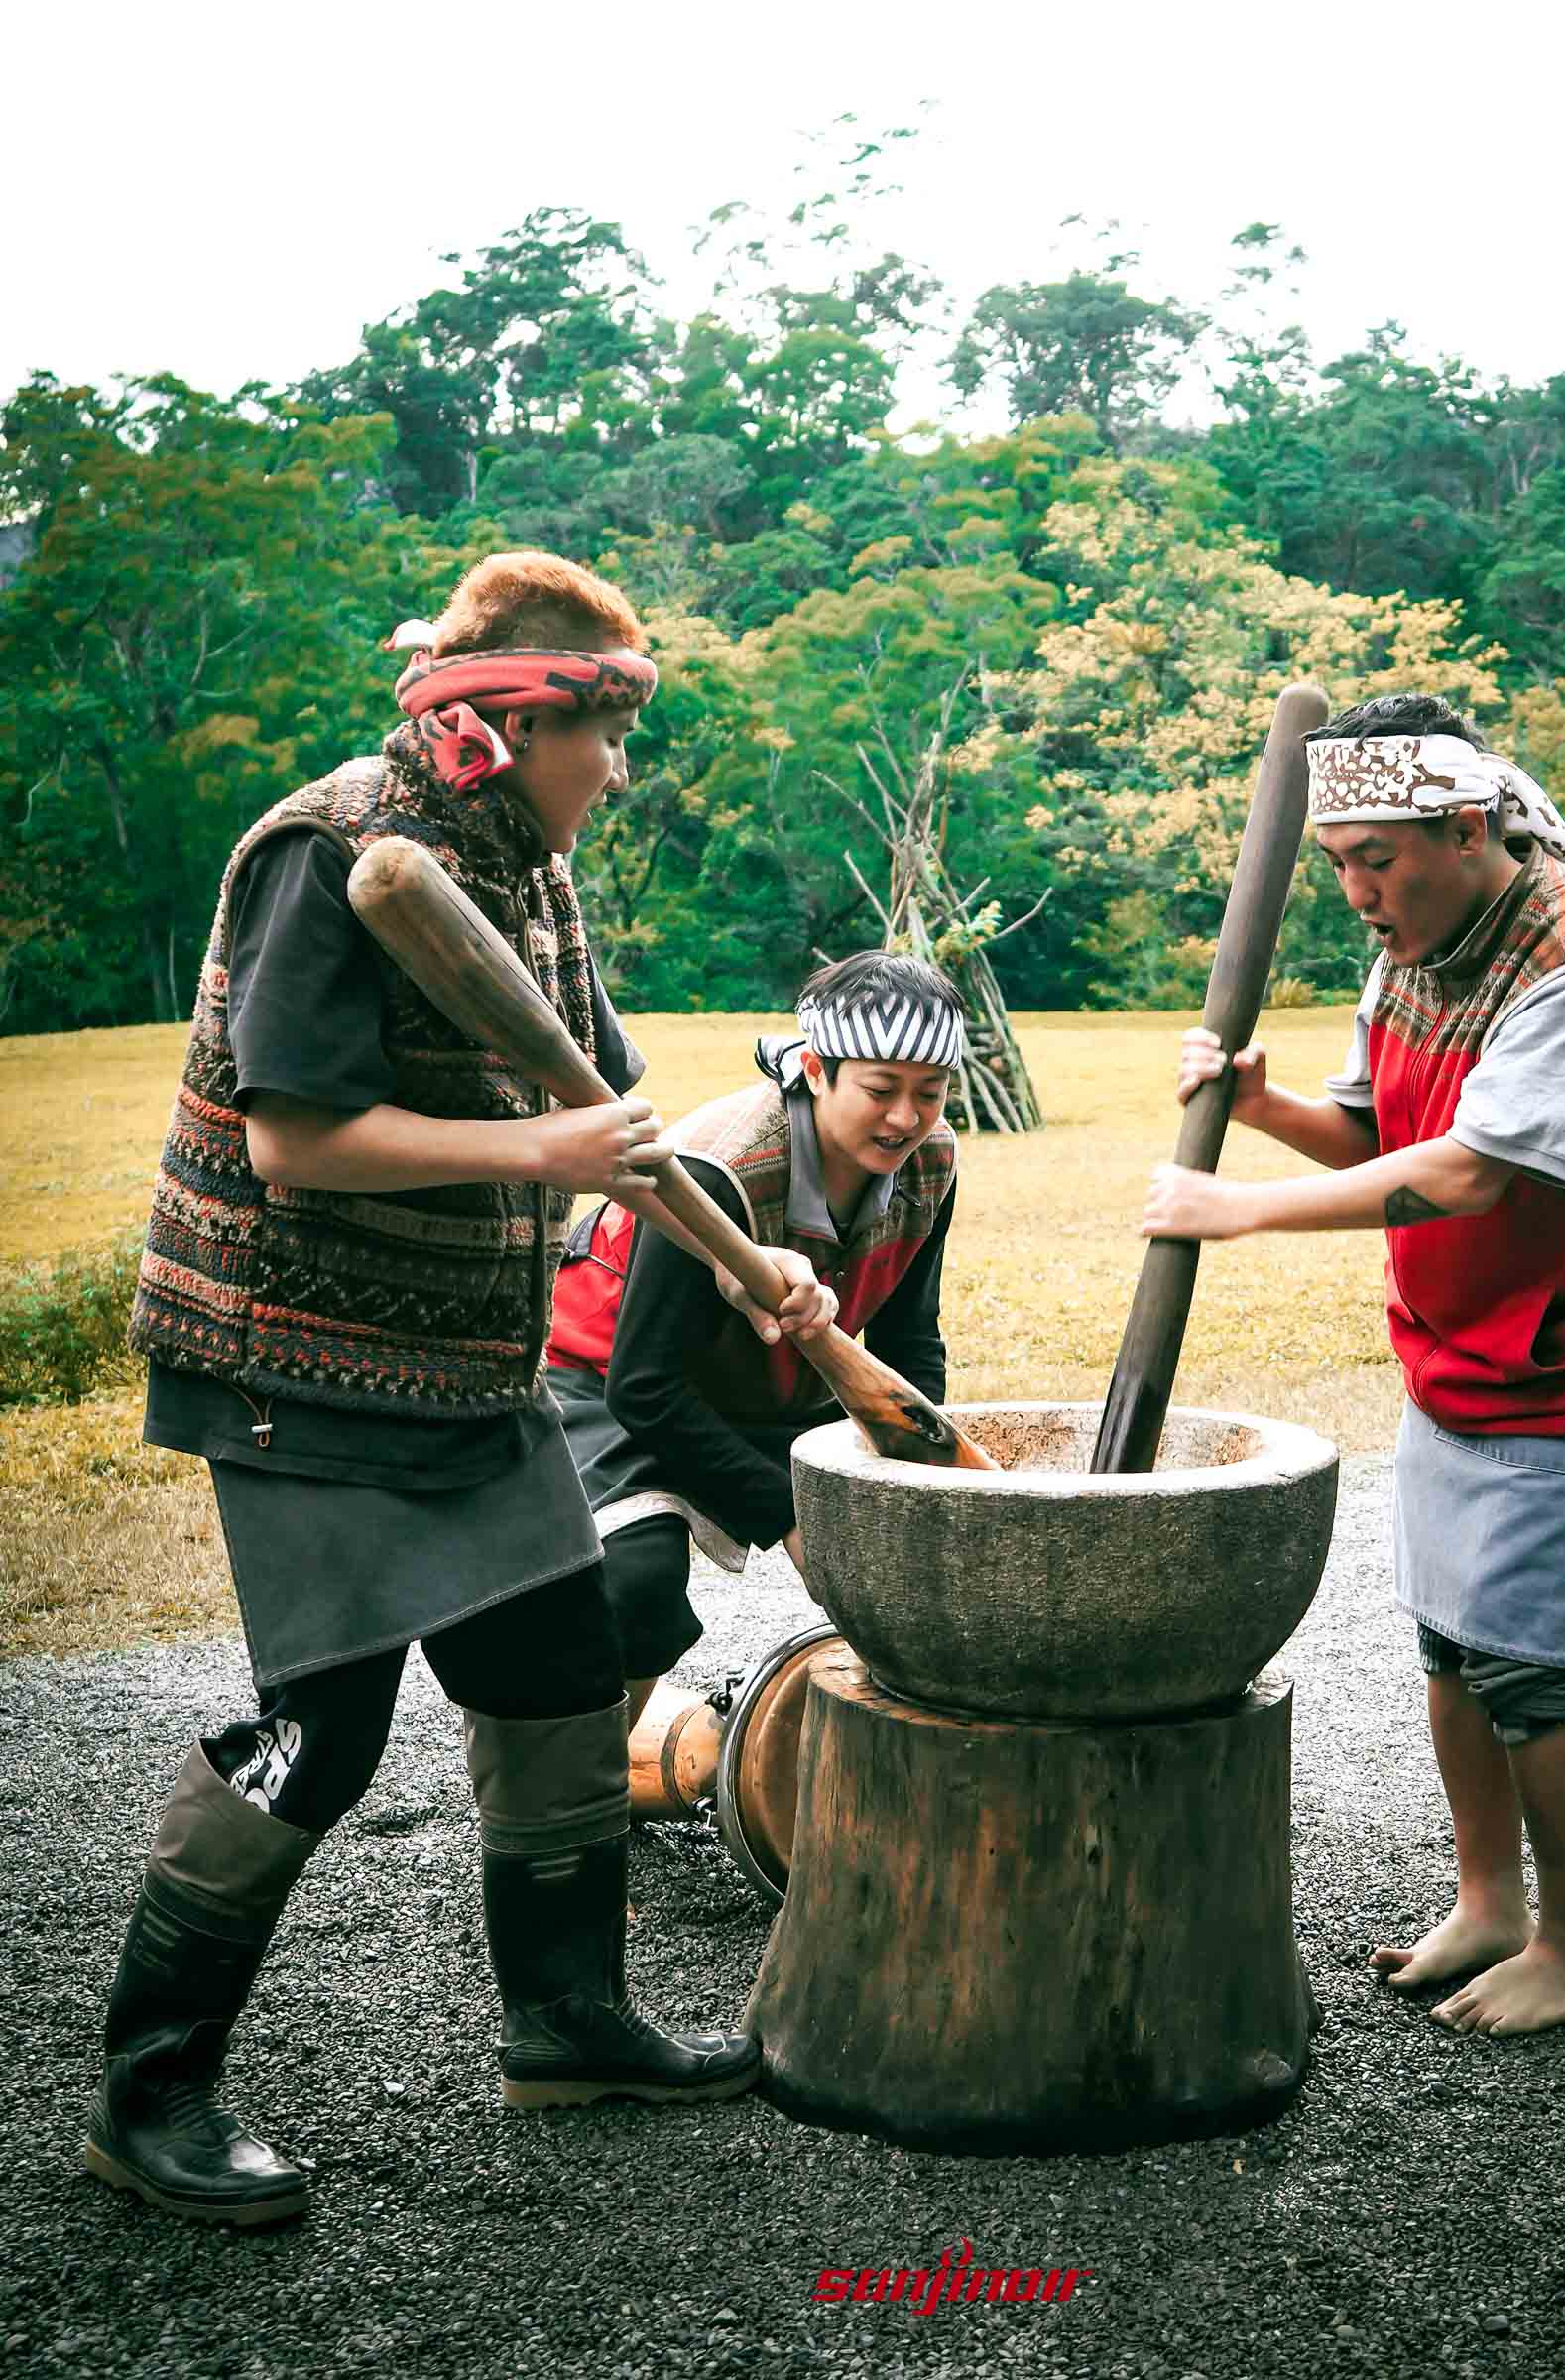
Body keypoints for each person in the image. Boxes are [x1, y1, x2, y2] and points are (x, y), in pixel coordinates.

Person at [91, 551, 828, 2229]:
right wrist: (541, 1149)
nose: (617, 772)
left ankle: (565, 2026)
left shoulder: (526, 867)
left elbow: (612, 1125)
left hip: (461, 1365)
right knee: (320, 1730)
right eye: (602, 737)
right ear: (504, 724)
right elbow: (296, 1137)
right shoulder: (328, 854)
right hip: (293, 1361)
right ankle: (151, 2099)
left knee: (563, 1663)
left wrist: (738, 1254)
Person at [1144, 691, 1565, 2037]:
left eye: (1376, 861)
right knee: (1451, 1643)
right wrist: (1264, 1107)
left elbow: (1474, 1167)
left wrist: (1237, 1210)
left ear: (1464, 827)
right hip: (1467, 1342)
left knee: (1525, 1660)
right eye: (1337, 862)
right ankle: (1490, 1901)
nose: (1354, 892)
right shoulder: (1416, 938)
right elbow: (1372, 1133)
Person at [545, 950, 964, 1724]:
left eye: (929, 1094)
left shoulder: (931, 1163)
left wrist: (912, 1474)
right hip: (606, 1379)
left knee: (925, 1561)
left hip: (767, 1385)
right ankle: (591, 1781)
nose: (906, 1118)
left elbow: (911, 1343)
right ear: (814, 1068)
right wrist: (790, 1514)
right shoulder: (719, 1168)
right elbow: (643, 1388)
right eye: (880, 1090)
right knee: (635, 1587)